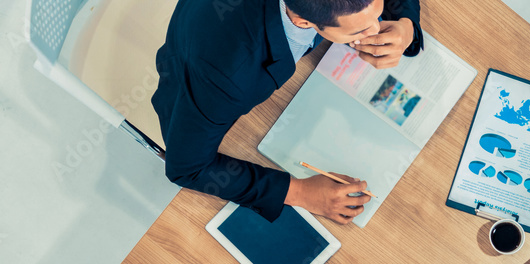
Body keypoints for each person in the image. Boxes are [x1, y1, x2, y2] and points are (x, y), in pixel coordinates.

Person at [152, 0, 423, 223]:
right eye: (357, 31)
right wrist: (301, 192)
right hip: (202, 67)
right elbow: (187, 168)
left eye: (377, 13)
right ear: (305, 22)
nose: (375, 29)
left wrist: (406, 26)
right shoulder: (227, 79)